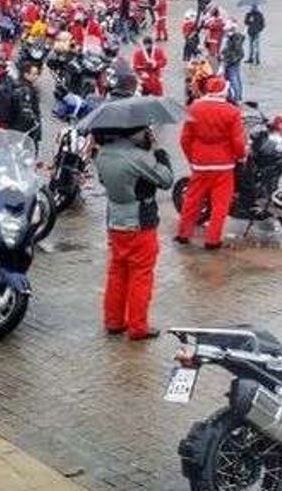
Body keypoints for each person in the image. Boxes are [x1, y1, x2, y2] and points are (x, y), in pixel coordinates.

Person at [94, 125, 174, 340]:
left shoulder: (102, 153)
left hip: (115, 219)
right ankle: (138, 326)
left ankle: (113, 321)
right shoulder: (138, 157)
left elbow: (103, 180)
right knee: (141, 274)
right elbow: (166, 180)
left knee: (117, 270)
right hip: (140, 221)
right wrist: (158, 151)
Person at [176, 77, 247, 250]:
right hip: (223, 165)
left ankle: (183, 234)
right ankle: (212, 240)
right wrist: (241, 156)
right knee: (220, 205)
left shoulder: (193, 109)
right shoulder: (232, 111)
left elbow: (185, 140)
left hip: (200, 163)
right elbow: (237, 142)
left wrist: (192, 159)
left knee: (192, 200)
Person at [220, 21, 246, 102]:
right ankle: (236, 96)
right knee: (235, 78)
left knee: (233, 78)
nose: (225, 32)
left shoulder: (233, 38)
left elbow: (231, 50)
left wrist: (225, 58)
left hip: (232, 60)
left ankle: (236, 97)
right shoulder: (237, 37)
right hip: (234, 59)